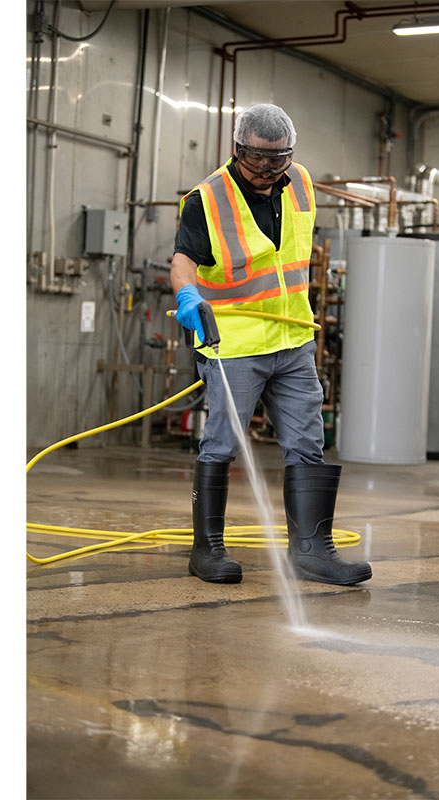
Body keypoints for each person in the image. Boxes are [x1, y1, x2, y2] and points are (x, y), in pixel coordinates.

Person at [170, 103, 371, 587]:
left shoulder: (299, 182)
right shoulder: (208, 199)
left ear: (289, 154)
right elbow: (183, 259)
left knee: (307, 442)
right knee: (222, 442)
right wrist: (186, 294)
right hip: (235, 343)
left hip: (293, 336)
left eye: (277, 160)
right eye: (256, 160)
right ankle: (207, 550)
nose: (266, 170)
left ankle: (312, 551)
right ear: (238, 150)